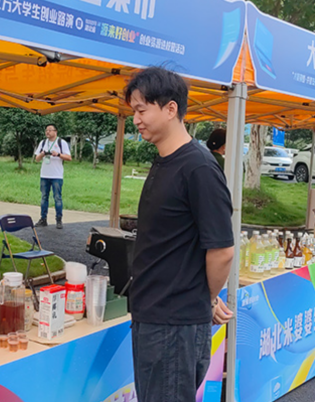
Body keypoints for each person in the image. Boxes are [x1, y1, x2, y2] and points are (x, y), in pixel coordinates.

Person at [125, 67, 235, 402]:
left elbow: (222, 251)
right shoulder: (165, 161)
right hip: (153, 315)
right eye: (133, 111)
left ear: (171, 109)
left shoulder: (198, 167)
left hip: (173, 324)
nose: (136, 120)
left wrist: (204, 299)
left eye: (142, 110)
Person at [33, 124, 72, 229]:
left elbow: (69, 158)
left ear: (56, 132)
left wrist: (58, 154)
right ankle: (43, 219)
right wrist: (42, 154)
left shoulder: (61, 142)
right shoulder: (43, 142)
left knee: (57, 198)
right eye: (46, 130)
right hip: (44, 174)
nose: (48, 132)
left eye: (50, 130)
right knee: (44, 197)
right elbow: (37, 159)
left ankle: (59, 220)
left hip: (56, 175)